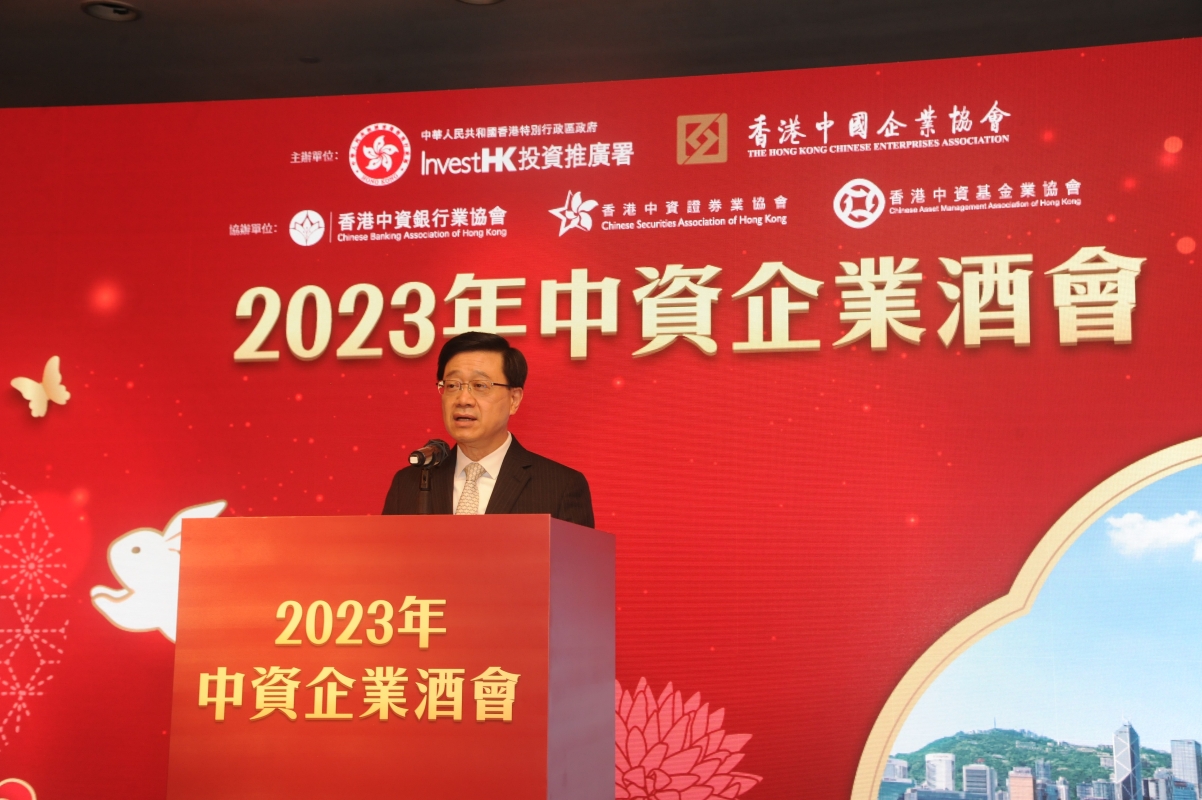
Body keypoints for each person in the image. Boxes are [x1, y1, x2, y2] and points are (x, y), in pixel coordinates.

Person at [381, 332, 595, 527]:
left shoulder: (560, 487)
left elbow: (576, 559)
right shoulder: (409, 484)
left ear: (514, 399)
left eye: (480, 385)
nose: (463, 399)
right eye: (452, 385)